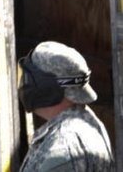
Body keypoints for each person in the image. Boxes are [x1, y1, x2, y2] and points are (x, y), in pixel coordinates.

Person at [18, 40, 114, 171]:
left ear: (50, 86)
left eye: (31, 79)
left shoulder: (60, 152)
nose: (25, 84)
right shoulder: (87, 121)